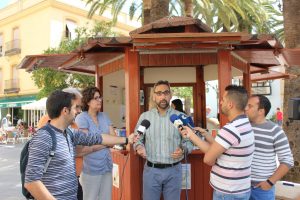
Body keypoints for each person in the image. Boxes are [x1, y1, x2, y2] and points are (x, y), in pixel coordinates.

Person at [24, 90, 135, 200]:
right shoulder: (44, 137)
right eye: (75, 107)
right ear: (65, 111)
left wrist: (126, 139)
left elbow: (99, 138)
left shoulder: (69, 133)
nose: (78, 111)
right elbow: (31, 182)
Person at [179, 85, 254, 200]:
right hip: (241, 189)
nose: (220, 102)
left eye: (223, 99)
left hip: (227, 192)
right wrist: (207, 135)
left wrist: (191, 135)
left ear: (230, 105)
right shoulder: (245, 123)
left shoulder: (231, 129)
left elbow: (208, 159)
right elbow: (225, 148)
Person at [133, 80, 194, 200]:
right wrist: (139, 147)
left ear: (170, 95)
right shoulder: (145, 117)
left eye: (166, 93)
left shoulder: (181, 117)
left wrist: (183, 149)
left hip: (174, 171)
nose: (163, 96)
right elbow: (137, 139)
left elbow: (190, 141)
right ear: (154, 96)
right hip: (151, 171)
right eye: (159, 93)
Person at [245, 95, 294, 200]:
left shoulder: (275, 131)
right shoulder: (243, 127)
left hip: (262, 190)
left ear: (261, 111)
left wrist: (270, 182)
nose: (246, 108)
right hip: (240, 187)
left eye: (250, 106)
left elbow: (287, 160)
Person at [75, 86, 116, 200]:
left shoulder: (104, 116)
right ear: (88, 101)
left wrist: (106, 142)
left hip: (106, 166)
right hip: (90, 169)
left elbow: (114, 139)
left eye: (100, 97)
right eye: (96, 98)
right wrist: (106, 142)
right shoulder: (82, 118)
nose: (100, 100)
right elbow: (86, 144)